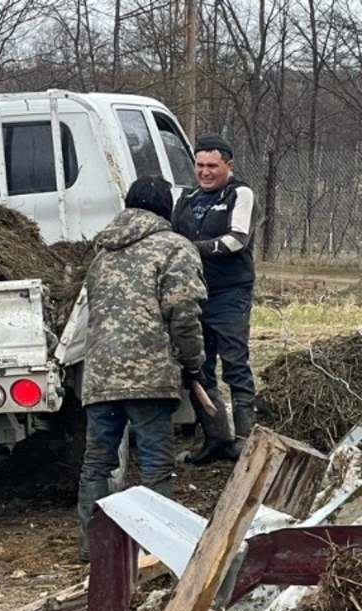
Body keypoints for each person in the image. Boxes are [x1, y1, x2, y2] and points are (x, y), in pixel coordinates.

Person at [77, 174, 207, 561]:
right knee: (155, 463)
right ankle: (154, 547)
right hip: (150, 375)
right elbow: (184, 314)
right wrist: (194, 365)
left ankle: (96, 549)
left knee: (97, 463)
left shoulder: (102, 253)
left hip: (100, 374)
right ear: (167, 208)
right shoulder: (175, 248)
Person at [172, 133, 260, 463]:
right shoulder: (187, 198)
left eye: (212, 166)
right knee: (198, 366)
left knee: (235, 364)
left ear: (229, 165)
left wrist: (191, 249)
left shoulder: (240, 193)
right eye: (200, 165)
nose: (205, 172)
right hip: (194, 293)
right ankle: (214, 438)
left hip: (230, 292)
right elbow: (172, 236)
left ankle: (244, 441)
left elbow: (237, 240)